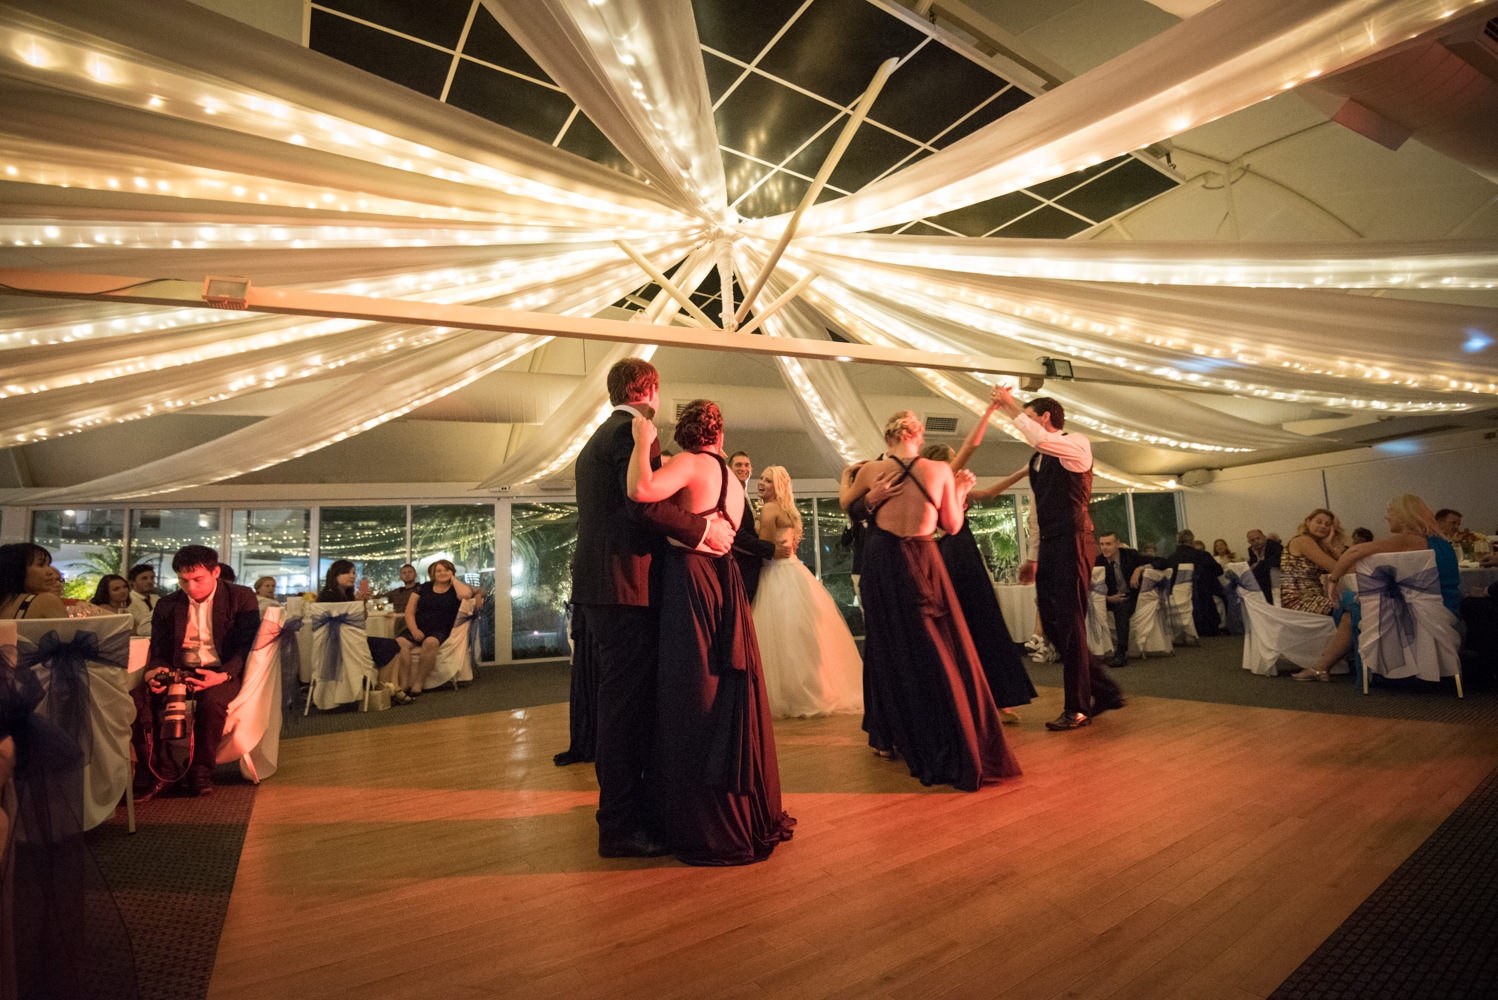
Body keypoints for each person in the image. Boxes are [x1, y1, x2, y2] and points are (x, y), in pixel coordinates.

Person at [570, 358, 734, 859]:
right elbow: (641, 503)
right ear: (651, 390)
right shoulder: (635, 430)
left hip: (606, 585)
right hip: (625, 588)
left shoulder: (603, 432)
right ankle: (619, 826)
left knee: (618, 705)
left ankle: (626, 813)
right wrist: (703, 529)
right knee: (624, 711)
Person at [627, 398, 794, 864]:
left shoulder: (691, 463)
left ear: (686, 433)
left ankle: (702, 816)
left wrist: (643, 443)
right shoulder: (734, 482)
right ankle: (739, 807)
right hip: (726, 582)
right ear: (719, 434)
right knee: (725, 687)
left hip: (692, 577)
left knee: (694, 688)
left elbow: (642, 490)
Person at [840, 410, 1020, 788]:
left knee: (890, 648)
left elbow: (848, 507)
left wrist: (858, 488)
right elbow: (951, 526)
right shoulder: (938, 471)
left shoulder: (872, 470)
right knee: (939, 647)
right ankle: (948, 729)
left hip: (884, 563)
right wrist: (959, 491)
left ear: (889, 438)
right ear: (918, 436)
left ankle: (893, 734)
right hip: (924, 560)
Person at [991, 386, 1124, 730]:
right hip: (1051, 543)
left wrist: (1008, 405)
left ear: (1045, 416)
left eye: (1030, 415)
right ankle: (1105, 690)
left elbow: (1041, 440)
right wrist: (1034, 557)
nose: (1026, 423)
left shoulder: (1076, 444)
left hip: (1075, 540)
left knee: (1068, 622)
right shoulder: (1038, 459)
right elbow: (1037, 510)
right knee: (1051, 622)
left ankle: (1077, 708)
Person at [920, 405, 1035, 720]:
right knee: (969, 621)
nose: (959, 460)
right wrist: (990, 411)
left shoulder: (955, 483)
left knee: (982, 621)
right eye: (953, 456)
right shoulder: (938, 482)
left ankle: (994, 698)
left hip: (964, 553)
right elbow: (971, 446)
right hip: (952, 555)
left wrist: (1022, 473)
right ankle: (971, 700)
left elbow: (987, 493)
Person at [1290, 495, 1460, 682]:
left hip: (1419, 612)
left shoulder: (1406, 540)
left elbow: (1355, 551)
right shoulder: (1441, 543)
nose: (1387, 517)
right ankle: (1330, 665)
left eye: (1390, 512)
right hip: (1443, 608)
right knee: (1352, 602)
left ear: (1403, 516)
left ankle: (1328, 666)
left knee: (1349, 607)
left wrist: (1333, 578)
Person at [141, 545, 262, 797]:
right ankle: (160, 770)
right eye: (183, 581)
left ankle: (201, 770)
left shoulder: (240, 597)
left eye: (198, 579)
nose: (191, 588)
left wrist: (223, 675)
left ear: (215, 571)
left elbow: (246, 646)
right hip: (179, 669)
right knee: (139, 698)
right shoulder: (167, 604)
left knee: (211, 702)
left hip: (221, 669)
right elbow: (160, 649)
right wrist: (156, 671)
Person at [751, 464, 863, 717]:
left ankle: (790, 695)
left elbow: (765, 545)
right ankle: (819, 688)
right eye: (762, 479)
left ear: (777, 487)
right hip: (795, 572)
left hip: (775, 572)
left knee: (780, 636)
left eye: (768, 481)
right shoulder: (790, 511)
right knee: (803, 637)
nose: (762, 484)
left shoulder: (769, 509)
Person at [392, 559, 478, 702]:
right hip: (419, 626)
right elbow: (409, 611)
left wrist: (453, 579)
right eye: (439, 571)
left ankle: (418, 683)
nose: (442, 573)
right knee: (400, 642)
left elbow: (466, 595)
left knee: (430, 643)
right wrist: (414, 630)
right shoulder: (423, 588)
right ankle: (404, 683)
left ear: (452, 572)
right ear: (433, 574)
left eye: (446, 570)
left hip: (441, 629)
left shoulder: (456, 589)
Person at [726, 450, 788, 602]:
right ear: (729, 468)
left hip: (754, 564)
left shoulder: (744, 494)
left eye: (747, 465)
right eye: (738, 465)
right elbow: (737, 533)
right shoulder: (730, 494)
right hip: (742, 564)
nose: (743, 468)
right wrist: (769, 549)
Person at [1279, 508, 1346, 615]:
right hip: (1299, 602)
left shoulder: (1316, 544)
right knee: (1352, 603)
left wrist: (1329, 546)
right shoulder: (1303, 541)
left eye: (1328, 524)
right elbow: (1338, 568)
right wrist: (1330, 547)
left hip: (1313, 599)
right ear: (1308, 522)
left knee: (1352, 600)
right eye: (1319, 522)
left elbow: (1345, 565)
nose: (1323, 526)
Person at [1096, 532, 1146, 668]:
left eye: (1108, 544)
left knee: (1122, 608)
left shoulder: (1130, 555)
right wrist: (1108, 598)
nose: (1104, 548)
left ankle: (1121, 652)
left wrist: (1139, 569)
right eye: (1101, 544)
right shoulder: (1098, 562)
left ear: (1117, 544)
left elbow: (1162, 562)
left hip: (1130, 598)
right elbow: (1092, 588)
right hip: (1108, 599)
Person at [1166, 529, 1225, 636]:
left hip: (1179, 597)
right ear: (1192, 541)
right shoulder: (1203, 555)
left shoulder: (1172, 558)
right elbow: (1219, 571)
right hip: (1204, 597)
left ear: (1179, 542)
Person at [0, 544, 68, 620]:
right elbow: (68, 631)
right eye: (41, 565)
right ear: (17, 570)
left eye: (48, 565)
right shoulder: (46, 601)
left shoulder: (5, 602)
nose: (50, 572)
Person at [378, 564, 420, 638]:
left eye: (410, 572)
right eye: (404, 573)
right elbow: (380, 597)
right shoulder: (396, 592)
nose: (407, 575)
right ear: (400, 577)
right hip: (396, 624)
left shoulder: (422, 589)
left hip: (415, 623)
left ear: (416, 575)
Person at [1245, 529, 1283, 604]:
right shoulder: (1251, 550)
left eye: (1258, 538)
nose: (1256, 541)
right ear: (1249, 542)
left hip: (1276, 579)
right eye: (1252, 540)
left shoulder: (1275, 545)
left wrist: (1260, 563)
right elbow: (1253, 564)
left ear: (1264, 537)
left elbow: (1277, 562)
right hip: (1262, 581)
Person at [126, 563, 159, 636]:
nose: (150, 581)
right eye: (144, 578)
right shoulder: (128, 601)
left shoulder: (156, 599)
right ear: (133, 582)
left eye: (152, 578)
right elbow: (142, 626)